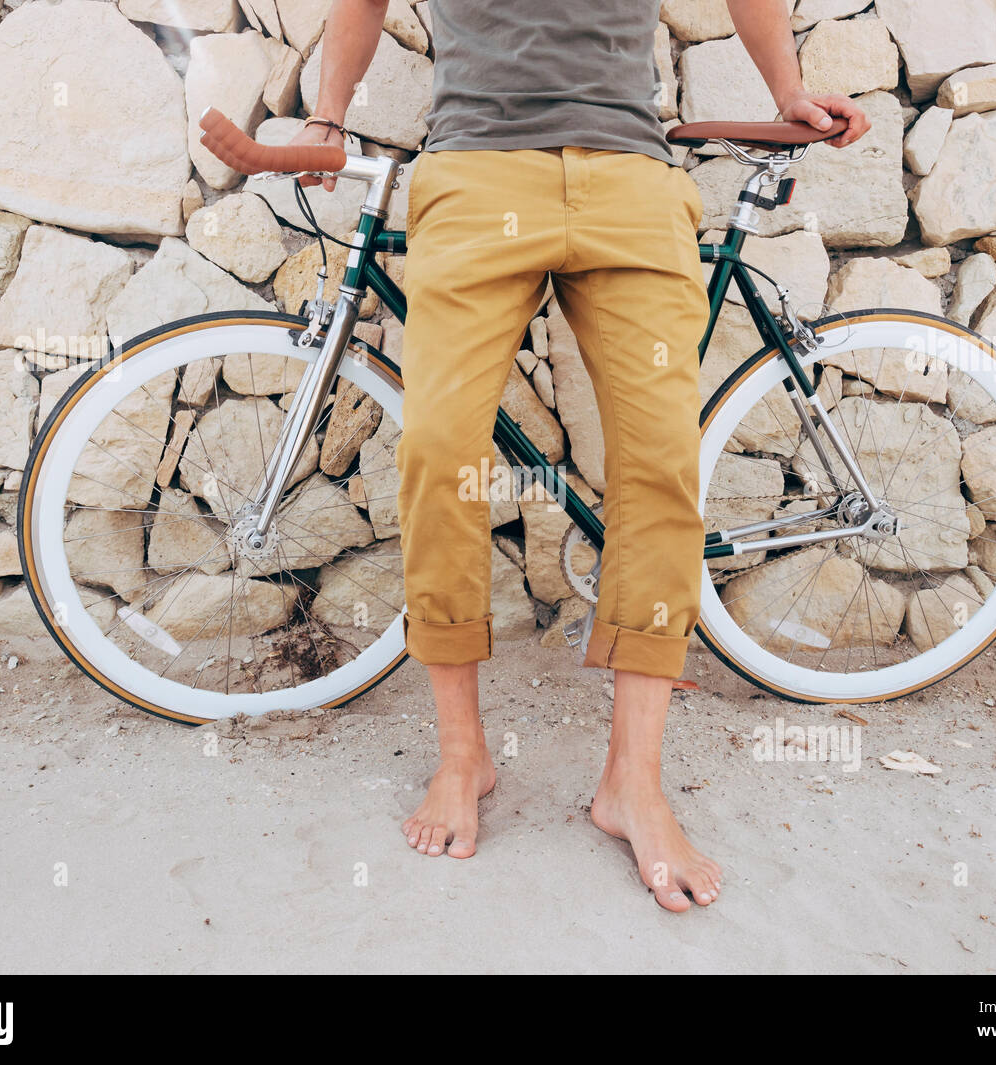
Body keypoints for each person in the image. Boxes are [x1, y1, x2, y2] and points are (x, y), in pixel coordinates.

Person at [290, 0, 869, 913]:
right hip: (476, 173)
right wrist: (326, 115)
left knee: (665, 461)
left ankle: (632, 783)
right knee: (439, 447)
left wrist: (789, 88)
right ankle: (462, 754)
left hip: (631, 177)